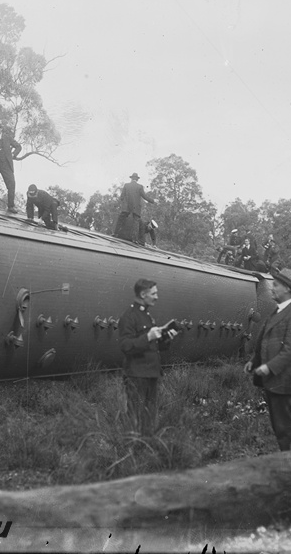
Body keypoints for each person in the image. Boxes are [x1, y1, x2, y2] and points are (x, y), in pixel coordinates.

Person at [244, 268, 291, 451]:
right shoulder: (278, 312)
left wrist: (268, 367)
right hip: (275, 380)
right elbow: (265, 340)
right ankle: (288, 460)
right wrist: (254, 361)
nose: (272, 288)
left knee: (285, 427)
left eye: (276, 285)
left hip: (284, 380)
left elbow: (290, 350)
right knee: (279, 426)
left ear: (287, 289)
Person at [118, 279, 177, 436]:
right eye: (154, 293)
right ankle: (132, 448)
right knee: (134, 416)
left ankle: (146, 447)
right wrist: (148, 337)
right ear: (143, 294)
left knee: (149, 416)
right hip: (137, 375)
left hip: (150, 374)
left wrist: (166, 339)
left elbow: (152, 347)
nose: (157, 297)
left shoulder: (147, 316)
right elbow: (125, 346)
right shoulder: (129, 317)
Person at [114, 173, 155, 242]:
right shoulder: (140, 187)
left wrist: (122, 204)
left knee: (121, 219)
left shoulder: (126, 185)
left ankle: (115, 233)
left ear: (131, 178)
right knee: (136, 222)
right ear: (137, 179)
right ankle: (135, 239)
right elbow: (144, 196)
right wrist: (152, 201)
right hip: (136, 207)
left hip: (127, 206)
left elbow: (122, 196)